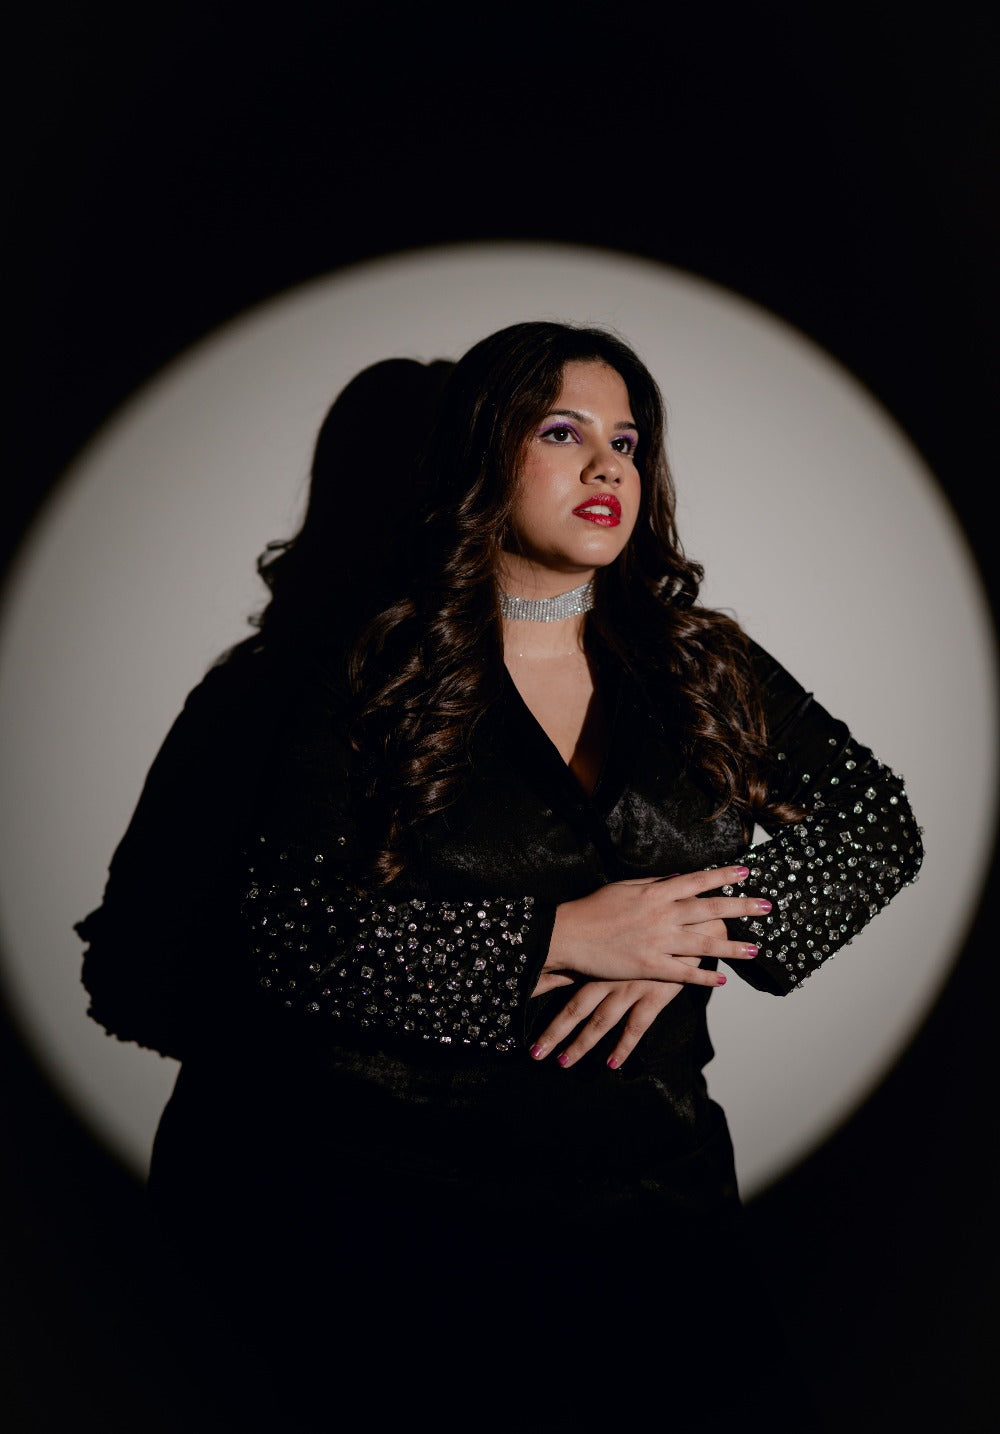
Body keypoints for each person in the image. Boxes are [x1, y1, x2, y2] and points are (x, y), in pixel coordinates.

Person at [77, 322, 923, 1433]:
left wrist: (692, 937)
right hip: (382, 1229)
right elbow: (274, 938)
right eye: (562, 431)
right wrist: (559, 936)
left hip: (652, 1214)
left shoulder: (699, 662)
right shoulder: (349, 675)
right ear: (483, 454)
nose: (608, 464)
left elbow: (876, 826)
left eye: (627, 439)